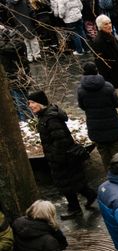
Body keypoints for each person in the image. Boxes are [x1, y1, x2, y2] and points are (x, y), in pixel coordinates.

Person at [26, 92, 99, 220]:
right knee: (72, 181)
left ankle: (75, 209)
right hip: (64, 158)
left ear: (40, 103)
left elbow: (61, 140)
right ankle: (89, 195)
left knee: (65, 184)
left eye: (32, 102)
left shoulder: (50, 119)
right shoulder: (46, 116)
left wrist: (55, 157)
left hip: (62, 159)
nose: (30, 105)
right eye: (29, 103)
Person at [76, 61, 118, 171]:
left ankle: (110, 177)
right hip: (113, 125)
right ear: (97, 71)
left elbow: (82, 106)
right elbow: (117, 103)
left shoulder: (81, 90)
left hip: (95, 128)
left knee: (104, 155)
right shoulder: (108, 86)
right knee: (117, 155)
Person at [90, 14, 118, 126]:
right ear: (100, 26)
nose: (109, 25)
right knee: (117, 98)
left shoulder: (110, 35)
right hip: (113, 77)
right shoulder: (98, 41)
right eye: (106, 24)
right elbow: (101, 64)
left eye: (109, 23)